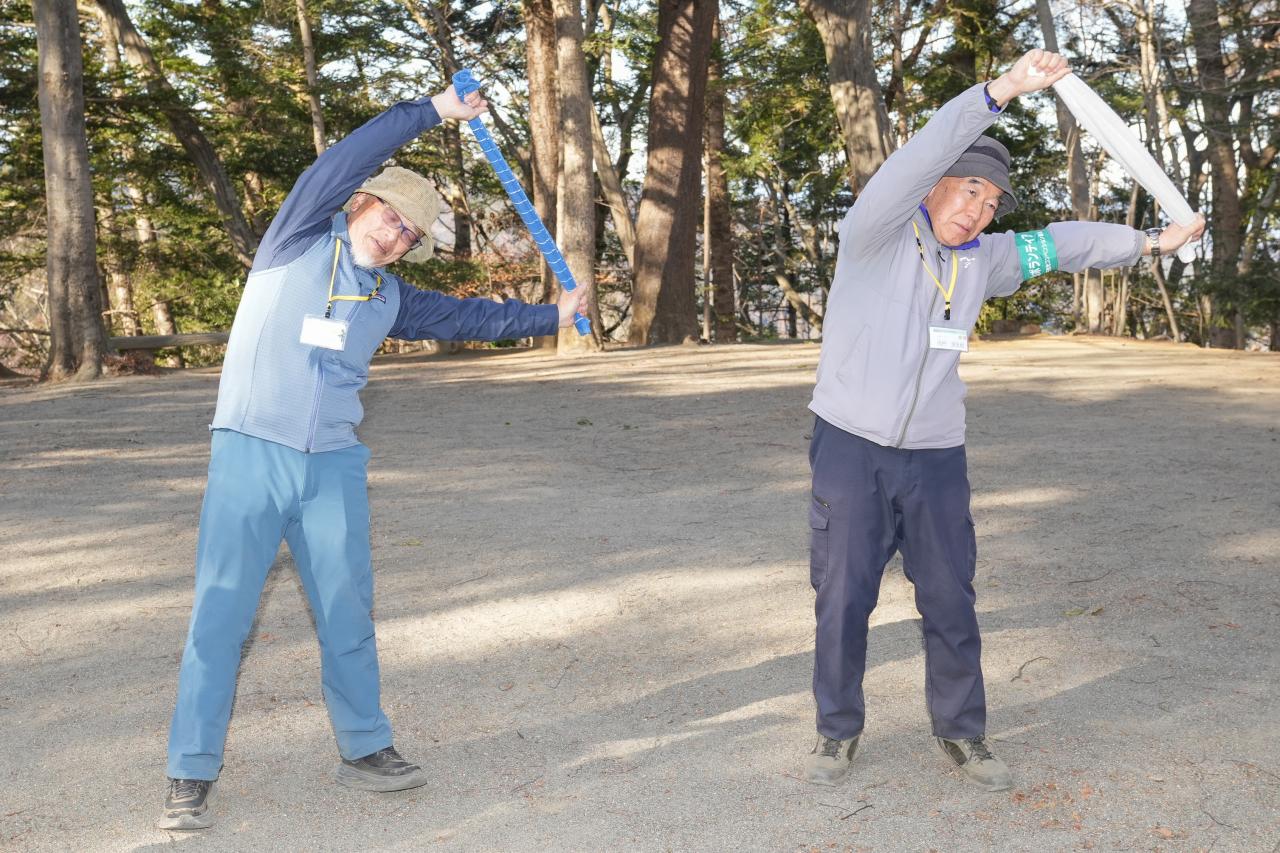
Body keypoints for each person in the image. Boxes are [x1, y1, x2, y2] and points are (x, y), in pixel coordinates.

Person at [158, 82, 587, 830]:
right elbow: (347, 155)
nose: (394, 237)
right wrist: (432, 113)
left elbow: (471, 316)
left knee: (347, 611)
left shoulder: (388, 296)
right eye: (390, 218)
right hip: (251, 454)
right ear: (360, 204)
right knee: (220, 617)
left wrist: (551, 314)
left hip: (332, 465)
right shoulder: (294, 237)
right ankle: (190, 771)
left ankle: (364, 746)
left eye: (409, 235)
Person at [802, 49, 1204, 791]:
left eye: (991, 202)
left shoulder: (985, 258)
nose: (980, 210)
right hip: (851, 448)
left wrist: (1149, 243)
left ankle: (962, 731)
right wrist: (1001, 91)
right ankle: (838, 731)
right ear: (935, 187)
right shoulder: (875, 234)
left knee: (951, 595)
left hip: (935, 458)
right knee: (843, 595)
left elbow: (1068, 242)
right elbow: (918, 153)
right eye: (970, 192)